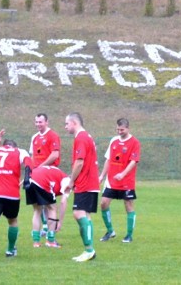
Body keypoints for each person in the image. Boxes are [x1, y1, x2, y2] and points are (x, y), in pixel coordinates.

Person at [0, 129, 29, 260]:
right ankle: (10, 250)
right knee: (12, 221)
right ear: (15, 147)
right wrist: (26, 179)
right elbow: (29, 163)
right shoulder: (20, 151)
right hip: (12, 194)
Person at [64, 112, 100, 262]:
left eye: (66, 124)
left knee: (78, 214)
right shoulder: (87, 137)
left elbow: (79, 162)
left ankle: (89, 250)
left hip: (85, 182)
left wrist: (71, 181)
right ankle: (89, 250)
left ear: (74, 123)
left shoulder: (81, 138)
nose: (65, 127)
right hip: (90, 181)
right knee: (85, 215)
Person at [99, 118, 141, 244]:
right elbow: (108, 159)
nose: (119, 132)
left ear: (128, 128)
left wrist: (123, 174)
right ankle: (110, 231)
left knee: (128, 205)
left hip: (126, 181)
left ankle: (129, 235)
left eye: (121, 129)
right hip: (111, 181)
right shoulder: (114, 140)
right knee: (103, 204)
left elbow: (133, 161)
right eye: (117, 129)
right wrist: (102, 176)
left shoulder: (134, 142)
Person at [28, 113, 62, 236]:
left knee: (49, 204)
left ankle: (49, 229)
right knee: (39, 204)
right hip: (36, 175)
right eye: (36, 122)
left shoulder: (53, 135)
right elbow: (32, 156)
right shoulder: (34, 137)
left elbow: (55, 155)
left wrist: (41, 166)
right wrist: (30, 170)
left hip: (48, 174)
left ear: (47, 122)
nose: (38, 124)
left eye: (40, 122)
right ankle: (45, 228)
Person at [26, 165, 72, 248]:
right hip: (42, 180)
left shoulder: (59, 175)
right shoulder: (68, 181)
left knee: (37, 210)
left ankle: (36, 242)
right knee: (53, 208)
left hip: (30, 178)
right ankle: (50, 240)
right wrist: (60, 222)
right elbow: (62, 202)